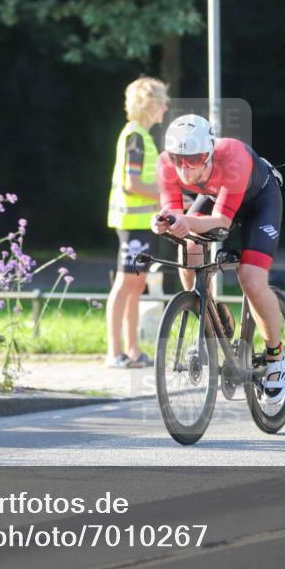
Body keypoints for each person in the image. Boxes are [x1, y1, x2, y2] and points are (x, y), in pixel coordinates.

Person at [151, 114, 285, 404]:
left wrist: (185, 221)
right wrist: (163, 221)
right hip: (219, 196)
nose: (186, 168)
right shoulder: (165, 163)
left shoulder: (234, 157)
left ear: (211, 152)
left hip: (259, 201)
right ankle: (210, 314)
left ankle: (276, 355)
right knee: (189, 245)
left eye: (196, 158)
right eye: (178, 159)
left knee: (251, 279)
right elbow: (175, 213)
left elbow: (221, 223)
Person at [105, 77, 169, 368]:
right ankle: (115, 351)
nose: (166, 107)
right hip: (132, 224)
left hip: (144, 223)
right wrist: (164, 195)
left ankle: (133, 350)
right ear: (150, 104)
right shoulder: (135, 137)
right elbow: (132, 184)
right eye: (162, 101)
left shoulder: (140, 135)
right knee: (124, 284)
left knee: (137, 284)